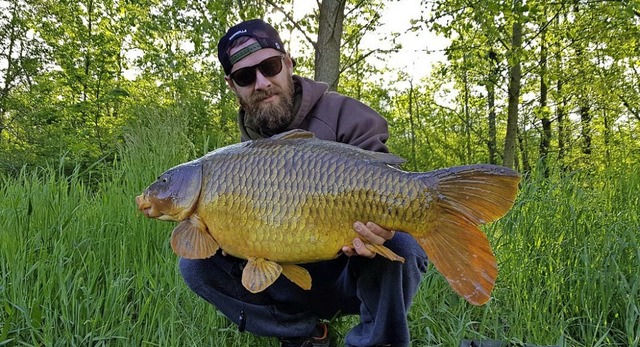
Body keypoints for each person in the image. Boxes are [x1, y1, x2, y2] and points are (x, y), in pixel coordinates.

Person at [179, 19, 428, 347]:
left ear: (288, 63)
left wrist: (382, 227)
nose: (261, 82)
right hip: (289, 280)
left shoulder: (344, 115)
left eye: (269, 66)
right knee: (194, 265)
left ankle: (377, 341)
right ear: (232, 86)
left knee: (403, 244)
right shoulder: (234, 157)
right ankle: (305, 335)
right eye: (245, 76)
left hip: (351, 272)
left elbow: (384, 183)